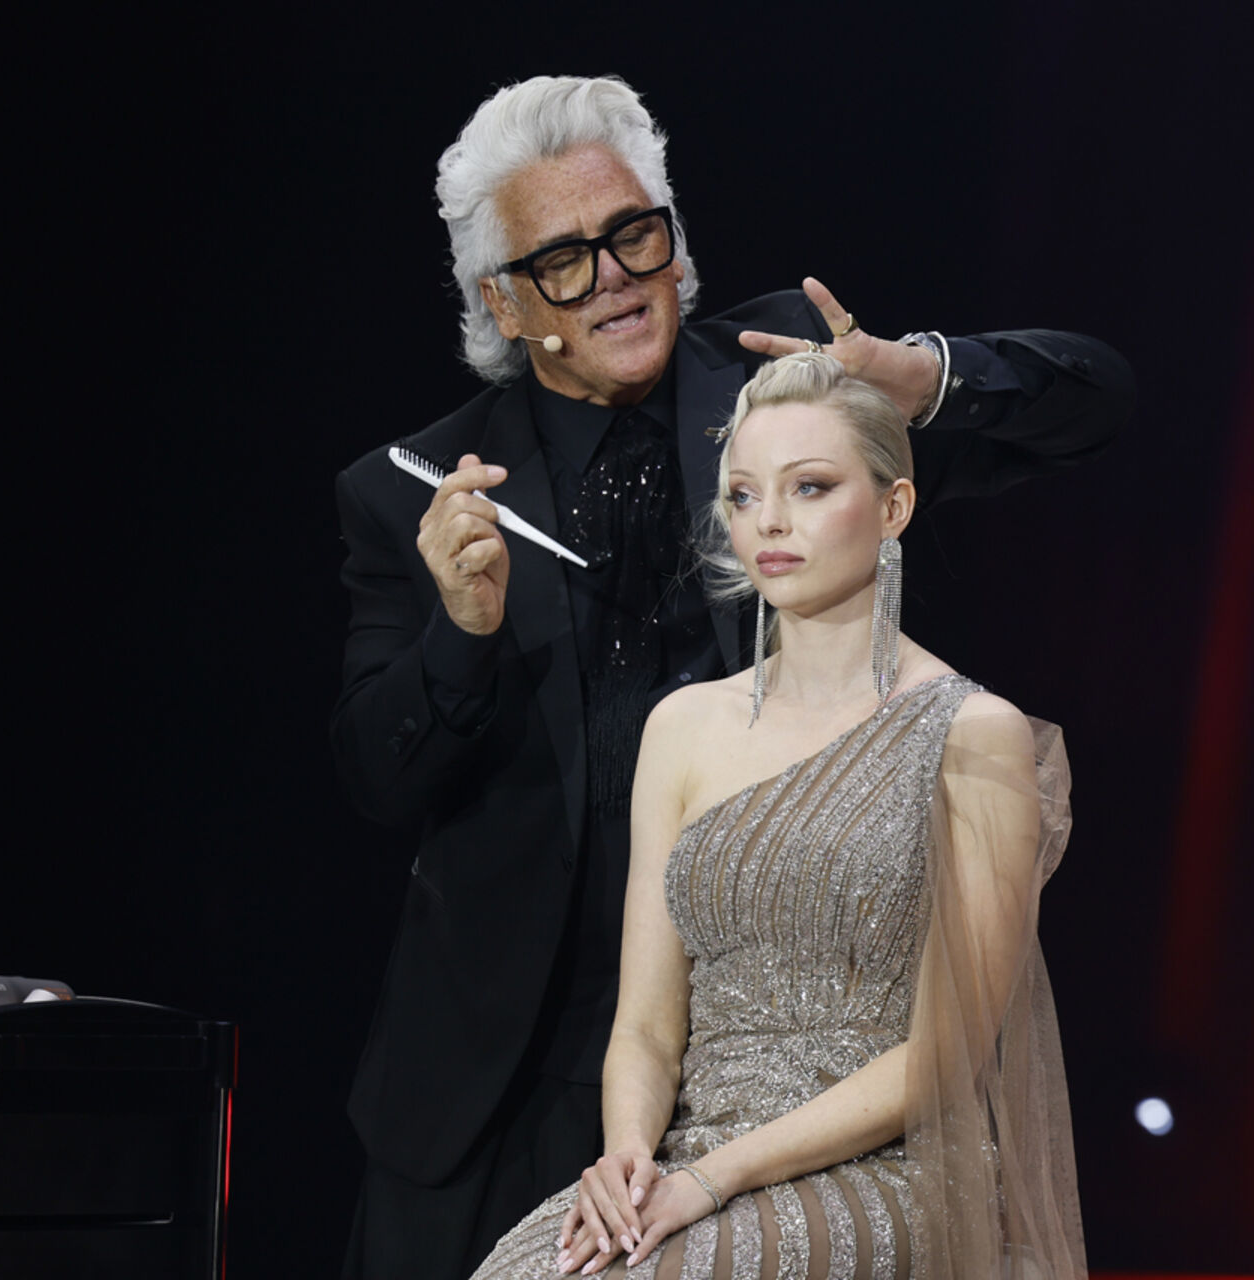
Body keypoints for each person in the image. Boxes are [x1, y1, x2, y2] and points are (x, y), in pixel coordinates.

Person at [332, 74, 1127, 1278]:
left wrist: (918, 379)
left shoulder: (788, 392)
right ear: (505, 300)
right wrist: (461, 630)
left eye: (634, 233)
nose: (614, 277)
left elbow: (1094, 398)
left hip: (774, 1072)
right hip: (502, 1068)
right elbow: (376, 777)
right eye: (565, 260)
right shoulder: (421, 486)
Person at [467, 351, 1082, 1280]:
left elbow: (948, 1056)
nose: (771, 522)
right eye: (744, 496)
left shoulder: (971, 732)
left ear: (894, 508)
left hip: (888, 1167)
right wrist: (627, 1159)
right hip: (692, 1155)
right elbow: (645, 1025)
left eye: (811, 487)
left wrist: (713, 1181)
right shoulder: (683, 727)